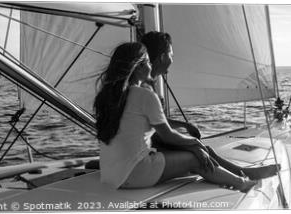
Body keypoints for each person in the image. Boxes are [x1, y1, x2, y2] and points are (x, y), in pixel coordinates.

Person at [93, 42, 259, 192]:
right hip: (136, 174)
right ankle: (241, 183)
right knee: (196, 159)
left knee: (190, 158)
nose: (151, 66)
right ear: (138, 67)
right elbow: (168, 135)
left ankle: (236, 177)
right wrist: (195, 144)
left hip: (111, 176)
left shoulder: (107, 96)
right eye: (149, 62)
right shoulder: (144, 95)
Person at [140, 31, 280, 180]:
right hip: (151, 148)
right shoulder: (145, 90)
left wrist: (186, 126)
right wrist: (190, 138)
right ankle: (243, 176)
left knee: (204, 149)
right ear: (162, 57)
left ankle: (242, 173)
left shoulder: (143, 86)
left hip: (152, 143)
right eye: (171, 55)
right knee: (200, 151)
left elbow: (157, 122)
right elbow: (163, 131)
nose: (172, 60)